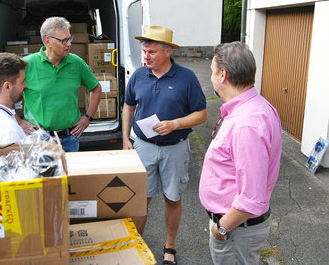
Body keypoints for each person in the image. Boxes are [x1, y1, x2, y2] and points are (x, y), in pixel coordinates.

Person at [122, 25, 207, 265]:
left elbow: (201, 114)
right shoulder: (139, 75)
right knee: (140, 199)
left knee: (173, 198)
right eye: (144, 51)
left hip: (175, 148)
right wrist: (125, 139)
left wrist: (175, 124)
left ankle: (170, 246)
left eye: (151, 52)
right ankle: (135, 244)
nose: (146, 57)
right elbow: (128, 107)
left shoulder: (186, 77)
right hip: (143, 146)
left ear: (168, 51)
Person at [199, 42, 282, 264]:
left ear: (223, 75)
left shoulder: (247, 123)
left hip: (235, 230)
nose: (212, 77)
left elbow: (250, 198)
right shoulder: (254, 107)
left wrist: (221, 229)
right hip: (236, 228)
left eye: (212, 72)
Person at [23, 16, 102, 152]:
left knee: (70, 173)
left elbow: (96, 88)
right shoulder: (27, 64)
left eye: (69, 39)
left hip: (69, 139)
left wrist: (88, 118)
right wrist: (19, 122)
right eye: (64, 40)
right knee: (42, 174)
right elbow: (6, 93)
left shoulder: (76, 62)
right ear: (47, 41)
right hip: (38, 140)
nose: (69, 44)